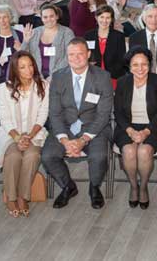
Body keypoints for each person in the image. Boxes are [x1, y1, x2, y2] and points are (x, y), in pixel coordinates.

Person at [41, 38, 113, 210]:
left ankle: (94, 187)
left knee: (98, 156)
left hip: (94, 127)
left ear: (88, 54)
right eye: (71, 55)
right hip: (65, 127)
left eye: (80, 54)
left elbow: (103, 114)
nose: (76, 58)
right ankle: (68, 186)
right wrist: (65, 140)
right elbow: (55, 113)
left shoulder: (103, 77)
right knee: (48, 156)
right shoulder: (58, 77)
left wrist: (83, 140)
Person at [0, 51, 49, 218]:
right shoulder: (4, 89)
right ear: (15, 69)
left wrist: (29, 136)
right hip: (10, 133)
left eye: (30, 65)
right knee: (14, 156)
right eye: (22, 67)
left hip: (34, 133)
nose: (28, 70)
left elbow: (42, 115)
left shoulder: (43, 86)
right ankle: (10, 197)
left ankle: (23, 197)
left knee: (32, 156)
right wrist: (17, 138)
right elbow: (5, 119)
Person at [114, 48, 157, 209]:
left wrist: (146, 131)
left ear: (149, 65)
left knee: (144, 151)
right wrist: (130, 131)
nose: (140, 69)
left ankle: (143, 186)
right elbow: (118, 112)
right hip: (127, 126)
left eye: (144, 64)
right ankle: (134, 186)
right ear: (129, 67)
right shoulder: (123, 82)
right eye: (135, 65)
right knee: (130, 151)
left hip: (154, 126)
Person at [20, 4, 74, 80]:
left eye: (51, 16)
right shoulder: (34, 32)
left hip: (60, 75)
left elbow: (70, 56)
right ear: (41, 18)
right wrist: (26, 41)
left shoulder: (67, 32)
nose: (49, 19)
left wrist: (53, 76)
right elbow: (22, 56)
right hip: (36, 76)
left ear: (57, 16)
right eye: (45, 17)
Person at [84, 5, 127, 82]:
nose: (104, 21)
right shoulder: (88, 35)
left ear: (111, 20)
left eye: (108, 18)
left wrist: (107, 75)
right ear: (96, 18)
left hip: (113, 77)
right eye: (102, 17)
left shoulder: (118, 36)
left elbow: (121, 59)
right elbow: (85, 55)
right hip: (93, 76)